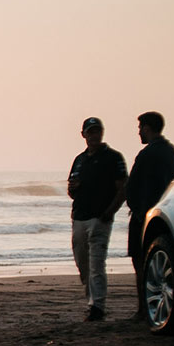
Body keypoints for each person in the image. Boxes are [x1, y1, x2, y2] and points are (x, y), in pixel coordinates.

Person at [67, 117, 128, 322]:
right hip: (79, 217)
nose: (94, 136)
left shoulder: (113, 158)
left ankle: (97, 306)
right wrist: (73, 189)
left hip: (100, 217)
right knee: (82, 262)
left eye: (97, 131)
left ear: (102, 133)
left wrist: (110, 212)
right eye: (90, 132)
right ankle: (92, 299)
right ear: (83, 134)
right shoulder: (79, 160)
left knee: (96, 263)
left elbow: (122, 188)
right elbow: (71, 189)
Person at [125, 111, 174, 320]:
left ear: (148, 128)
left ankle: (143, 308)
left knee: (141, 263)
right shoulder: (170, 151)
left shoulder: (147, 154)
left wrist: (137, 208)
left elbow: (132, 186)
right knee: (161, 263)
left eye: (140, 127)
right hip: (166, 214)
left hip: (144, 215)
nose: (139, 132)